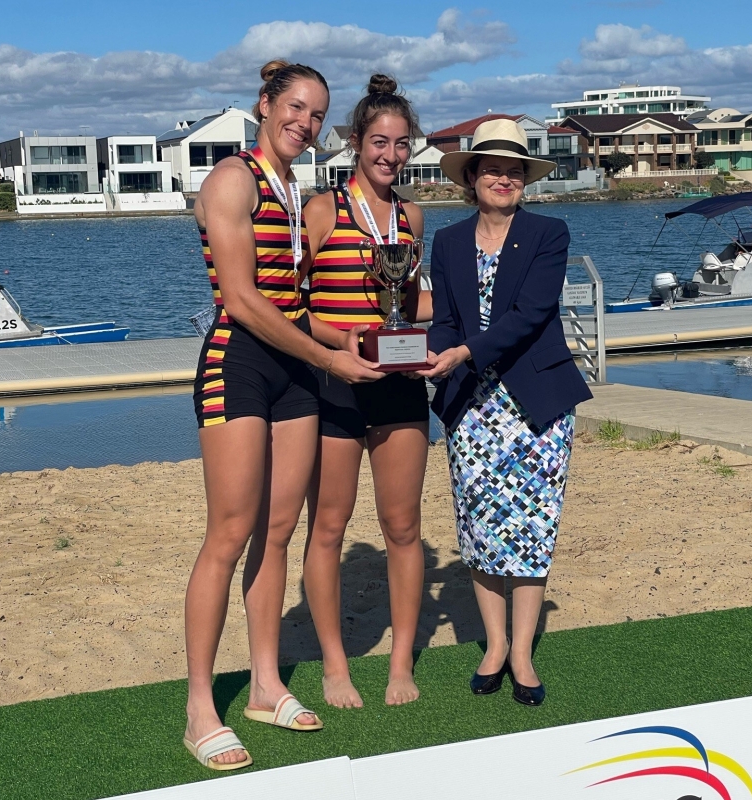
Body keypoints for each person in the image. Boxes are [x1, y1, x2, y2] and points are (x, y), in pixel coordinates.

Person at [184, 60, 383, 771]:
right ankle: (201, 706)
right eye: (295, 107)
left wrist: (354, 344)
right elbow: (240, 300)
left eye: (316, 114)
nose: (305, 122)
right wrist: (328, 360)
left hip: (293, 366)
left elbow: (298, 306)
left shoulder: (296, 190)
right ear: (264, 105)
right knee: (230, 533)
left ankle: (266, 686)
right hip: (236, 364)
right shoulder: (232, 179)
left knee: (276, 531)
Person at [418, 118, 592, 706]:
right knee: (480, 529)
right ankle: (494, 644)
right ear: (472, 177)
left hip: (536, 408)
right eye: (492, 168)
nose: (504, 178)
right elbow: (444, 320)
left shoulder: (549, 232)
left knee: (532, 531)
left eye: (514, 170)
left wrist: (464, 350)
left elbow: (531, 315)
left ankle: (522, 653)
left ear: (526, 180)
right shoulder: (445, 242)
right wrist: (438, 356)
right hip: (472, 408)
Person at [302, 75, 429, 708]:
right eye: (379, 142)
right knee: (329, 525)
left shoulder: (412, 216)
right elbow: (290, 304)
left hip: (401, 382)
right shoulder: (321, 210)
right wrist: (342, 340)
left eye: (402, 144)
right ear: (355, 142)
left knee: (403, 526)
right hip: (336, 382)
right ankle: (333, 664)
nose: (391, 155)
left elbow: (410, 301)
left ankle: (401, 661)